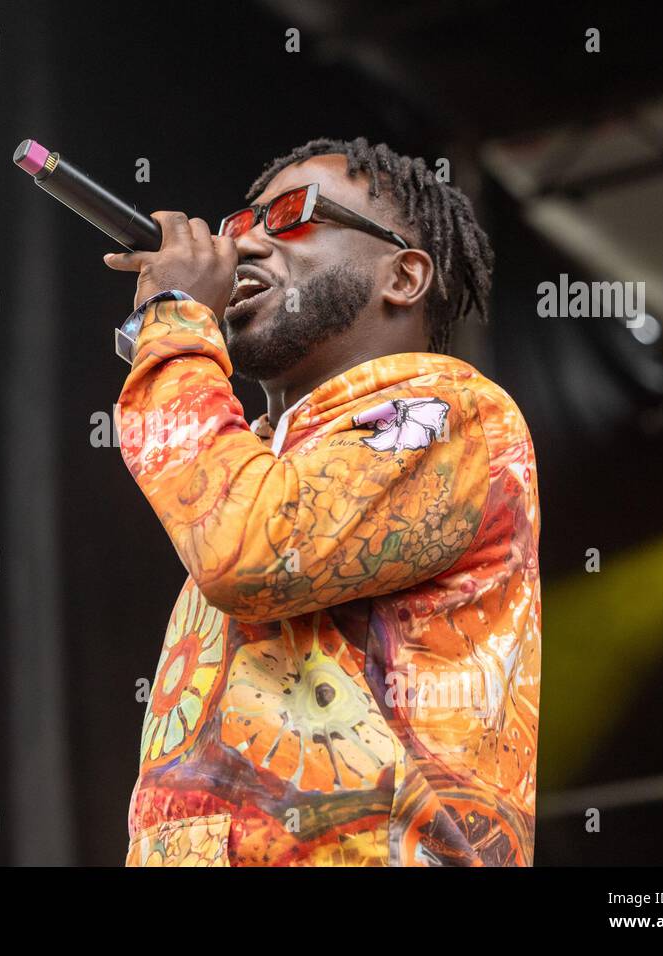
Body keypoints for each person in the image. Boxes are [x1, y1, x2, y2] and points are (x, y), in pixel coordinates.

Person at [102, 137, 540, 866]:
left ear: (402, 275)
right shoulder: (260, 460)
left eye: (291, 215)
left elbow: (249, 548)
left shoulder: (451, 413)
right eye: (239, 225)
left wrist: (176, 324)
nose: (245, 243)